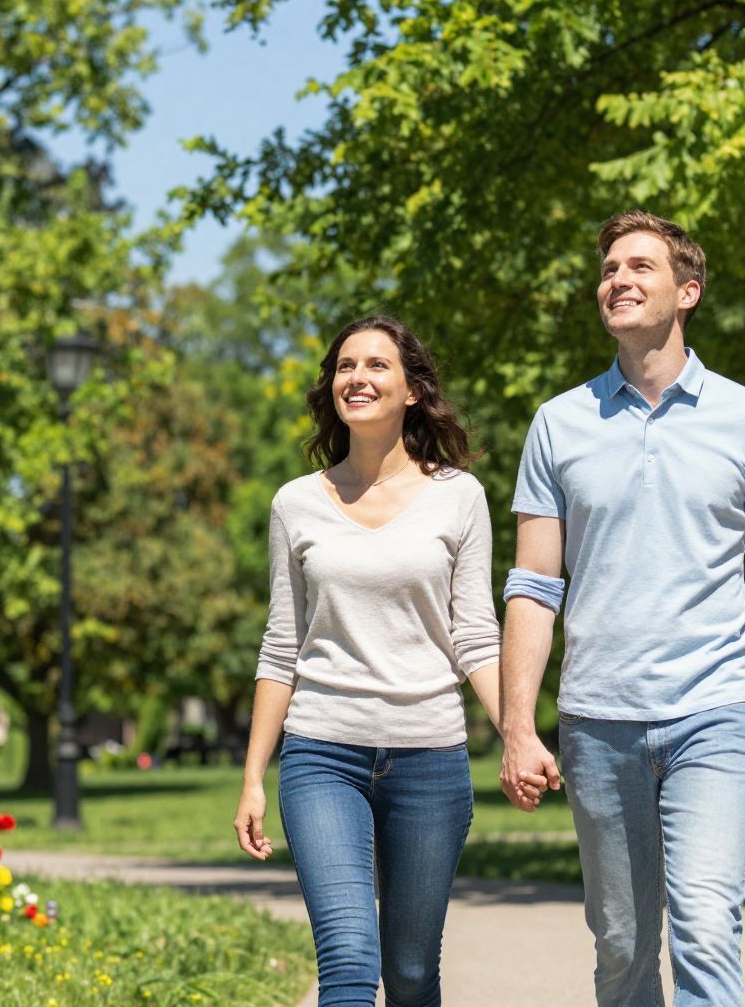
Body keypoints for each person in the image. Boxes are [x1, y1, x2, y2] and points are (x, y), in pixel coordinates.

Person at [498, 211, 745, 1007]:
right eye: (609, 269)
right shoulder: (558, 422)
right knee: (622, 948)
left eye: (639, 266)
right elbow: (535, 587)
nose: (618, 279)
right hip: (597, 719)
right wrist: (515, 724)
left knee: (707, 927)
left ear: (688, 292)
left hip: (712, 709)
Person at [234, 313, 520, 1007]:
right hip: (322, 753)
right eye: (345, 367)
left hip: (430, 757)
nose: (357, 378)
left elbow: (476, 636)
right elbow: (282, 646)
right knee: (350, 962)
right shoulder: (296, 503)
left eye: (377, 365)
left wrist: (520, 734)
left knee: (414, 973)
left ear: (413, 389)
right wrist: (251, 780)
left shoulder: (459, 496)